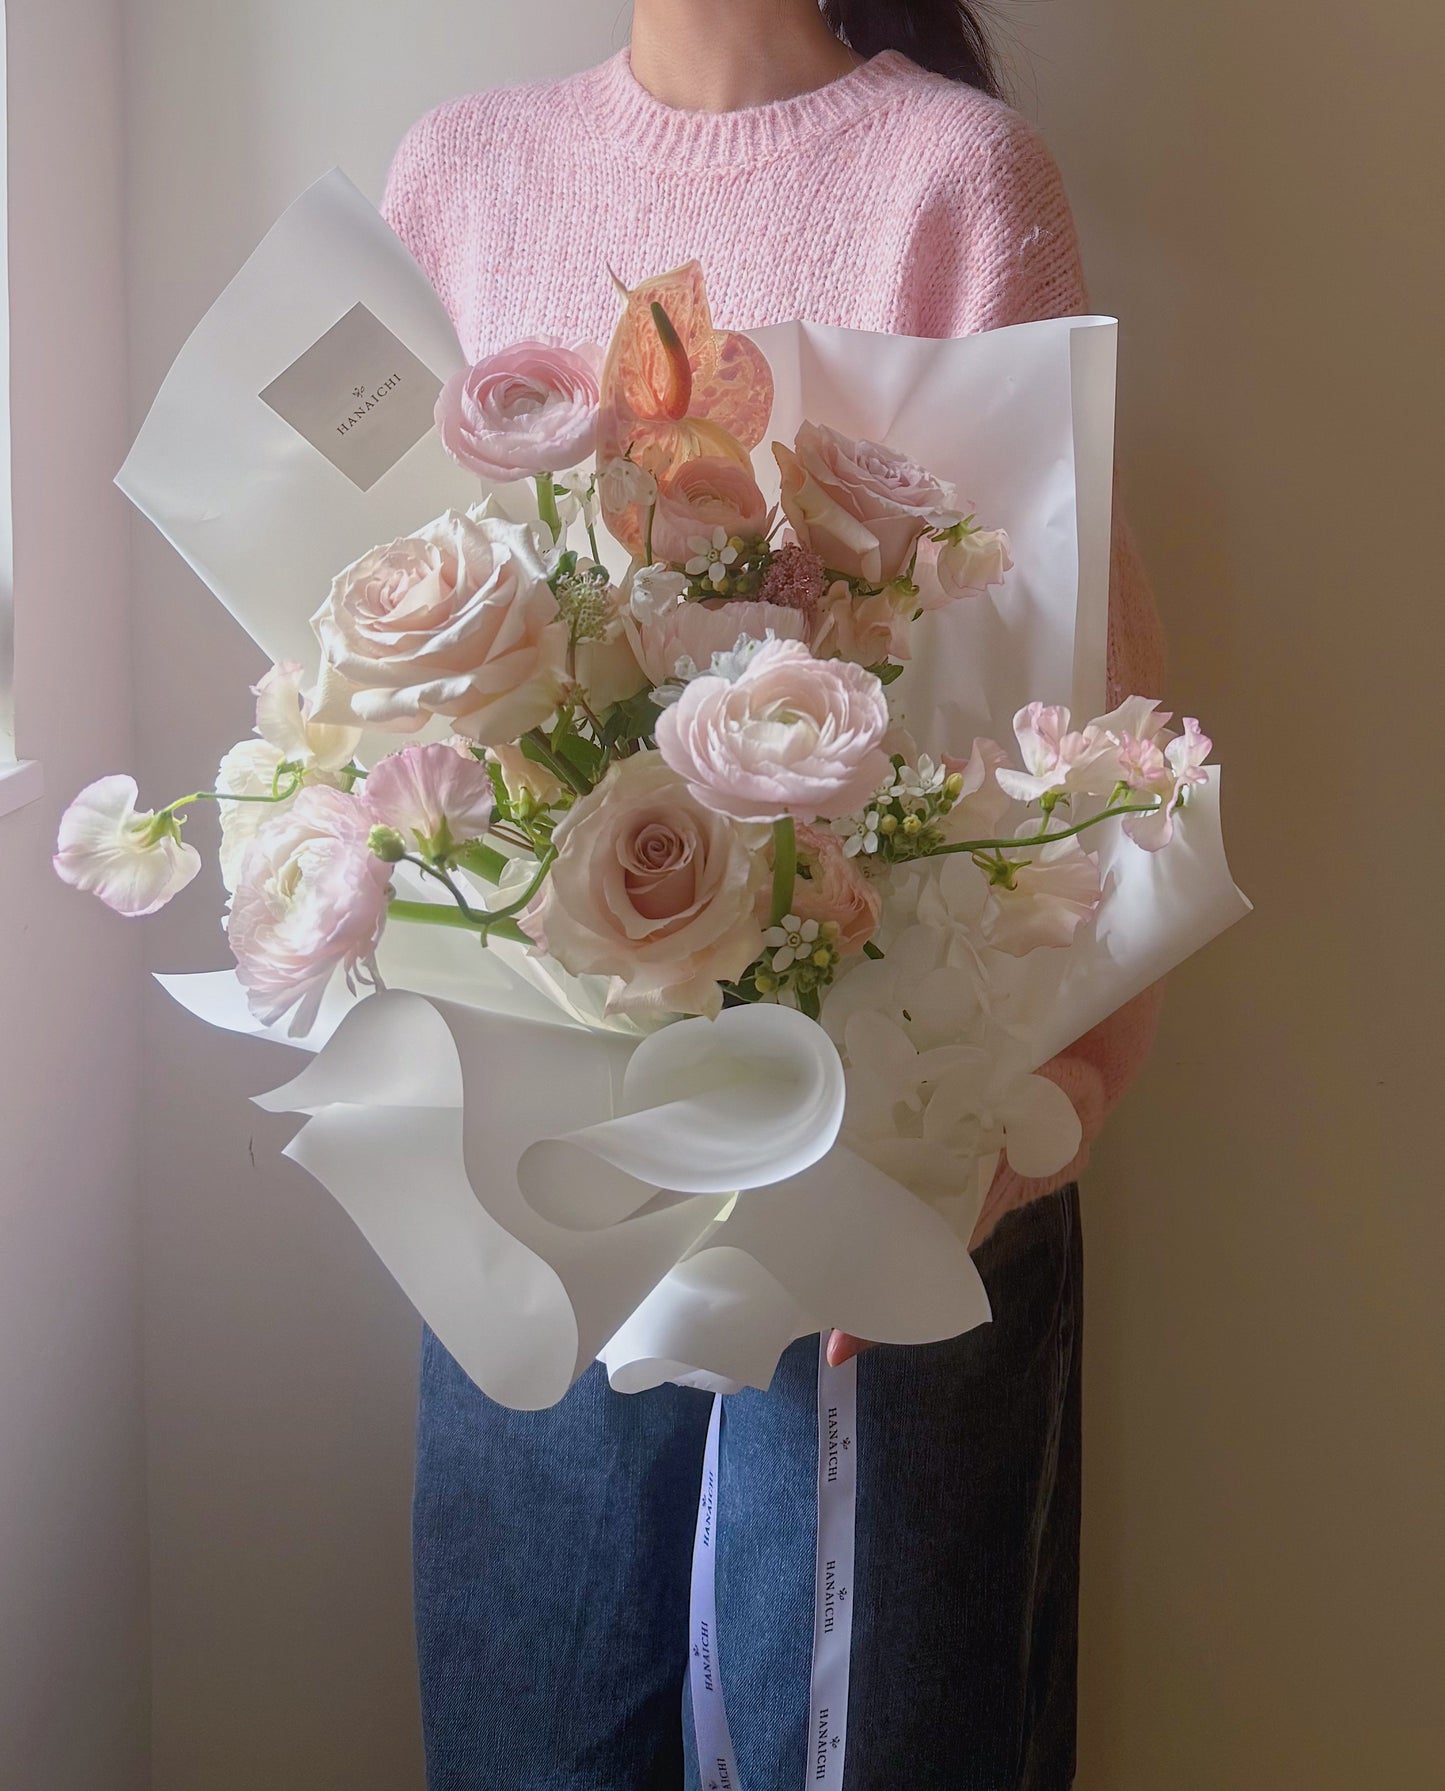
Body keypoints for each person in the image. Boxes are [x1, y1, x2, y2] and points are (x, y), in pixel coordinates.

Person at [383, 3, 1164, 1786]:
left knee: (877, 1735)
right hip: (543, 1165)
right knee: (535, 1730)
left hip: (894, 1163)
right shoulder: (463, 172)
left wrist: (1032, 1118)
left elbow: (1084, 696)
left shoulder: (950, 179)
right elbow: (382, 657)